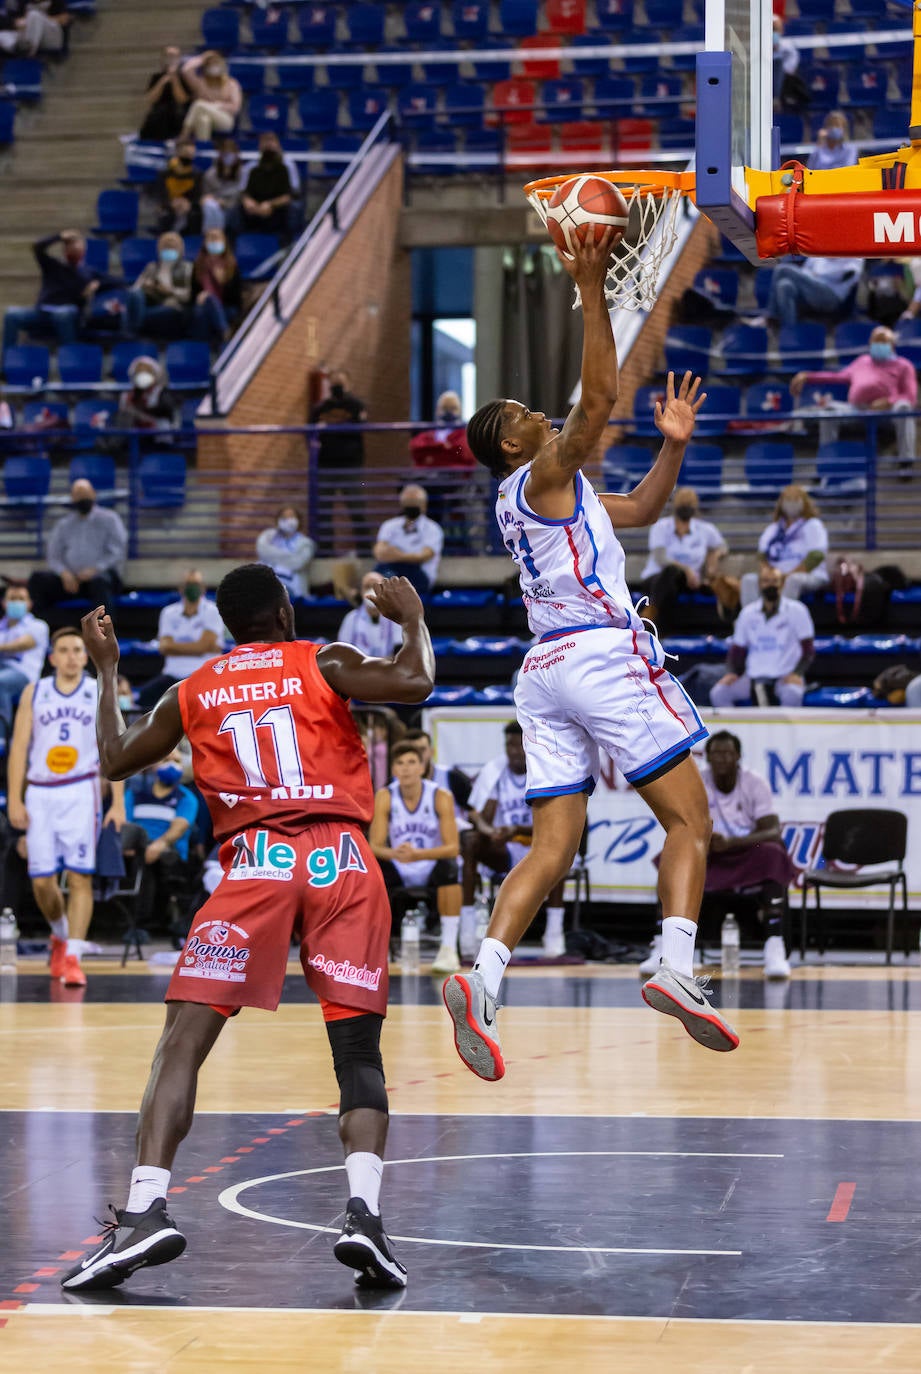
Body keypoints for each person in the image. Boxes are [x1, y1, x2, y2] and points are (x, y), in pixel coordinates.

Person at [61, 566, 434, 1293]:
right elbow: (414, 680)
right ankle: (365, 1218)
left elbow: (113, 759)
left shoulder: (192, 689)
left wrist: (108, 671)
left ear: (230, 627)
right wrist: (411, 617)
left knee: (182, 1043)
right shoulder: (324, 660)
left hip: (256, 863)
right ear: (286, 612)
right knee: (356, 1049)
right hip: (342, 860)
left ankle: (145, 1211)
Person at [442, 230, 738, 1085]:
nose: (543, 413)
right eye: (526, 415)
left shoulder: (553, 492)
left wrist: (674, 443)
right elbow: (600, 396)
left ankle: (485, 975)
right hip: (598, 655)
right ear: (510, 444)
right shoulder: (541, 472)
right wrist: (589, 286)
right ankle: (674, 964)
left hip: (543, 674)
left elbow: (638, 508)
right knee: (689, 821)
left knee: (553, 842)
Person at [6, 626, 125, 988]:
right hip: (40, 791)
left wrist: (117, 802)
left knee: (79, 876)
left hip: (81, 789)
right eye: (65, 649)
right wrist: (14, 797)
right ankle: (59, 934)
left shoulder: (97, 690)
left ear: (85, 655)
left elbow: (116, 747)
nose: (72, 655)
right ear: (52, 657)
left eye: (78, 649)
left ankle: (73, 956)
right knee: (41, 881)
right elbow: (19, 747)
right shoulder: (35, 691)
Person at [462, 721, 567, 959]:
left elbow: (557, 824)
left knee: (559, 850)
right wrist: (491, 832)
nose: (513, 751)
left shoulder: (545, 769)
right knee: (470, 841)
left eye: (518, 745)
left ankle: (554, 933)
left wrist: (515, 829)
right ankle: (467, 932)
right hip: (509, 849)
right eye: (508, 745)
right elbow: (481, 816)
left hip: (541, 846)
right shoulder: (496, 771)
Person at [369, 740, 462, 975]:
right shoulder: (385, 795)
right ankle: (373, 948)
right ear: (393, 770)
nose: (406, 768)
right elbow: (375, 845)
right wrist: (394, 854)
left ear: (422, 767)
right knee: (370, 868)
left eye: (412, 762)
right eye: (400, 763)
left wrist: (418, 854)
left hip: (430, 861)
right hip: (400, 863)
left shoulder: (440, 795)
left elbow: (452, 848)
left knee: (450, 867)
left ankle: (449, 948)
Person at [791, 325, 918, 472]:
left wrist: (889, 401)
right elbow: (838, 377)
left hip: (887, 412)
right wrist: (808, 376)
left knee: (904, 407)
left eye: (883, 341)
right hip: (857, 409)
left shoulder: (904, 365)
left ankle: (906, 462)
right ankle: (827, 461)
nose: (879, 345)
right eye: (875, 341)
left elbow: (910, 396)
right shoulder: (862, 361)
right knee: (829, 410)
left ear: (893, 345)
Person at [710, 565, 815, 708]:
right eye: (766, 581)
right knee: (719, 693)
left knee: (793, 694)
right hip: (753, 676)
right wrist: (732, 672)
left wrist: (797, 673)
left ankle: (786, 731)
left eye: (774, 581)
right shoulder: (747, 613)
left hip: (785, 676)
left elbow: (808, 650)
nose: (770, 585)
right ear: (759, 584)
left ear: (782, 584)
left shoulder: (798, 610)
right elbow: (737, 649)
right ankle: (736, 730)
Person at [124, 747, 199, 938]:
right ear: (154, 765)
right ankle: (138, 925)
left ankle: (140, 925)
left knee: (151, 861)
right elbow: (126, 821)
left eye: (176, 762)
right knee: (141, 858)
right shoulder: (136, 792)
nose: (171, 766)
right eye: (166, 760)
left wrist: (159, 845)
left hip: (169, 851)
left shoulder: (186, 797)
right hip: (137, 847)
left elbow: (179, 827)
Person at [636, 486, 732, 634]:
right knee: (670, 574)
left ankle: (654, 626)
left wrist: (715, 554)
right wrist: (687, 570)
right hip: (657, 579)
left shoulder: (705, 529)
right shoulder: (661, 527)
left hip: (687, 582)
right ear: (674, 504)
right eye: (683, 502)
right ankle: (652, 614)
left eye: (689, 503)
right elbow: (661, 559)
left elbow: (723, 545)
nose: (686, 506)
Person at [28, 479, 127, 616]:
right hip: (72, 581)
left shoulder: (110, 519)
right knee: (37, 580)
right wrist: (65, 573)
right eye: (78, 496)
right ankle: (43, 629)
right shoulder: (64, 524)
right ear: (73, 498)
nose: (82, 499)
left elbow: (117, 552)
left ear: (94, 494)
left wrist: (95, 569)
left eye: (85, 494)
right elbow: (54, 556)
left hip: (102, 578)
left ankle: (104, 633)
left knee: (99, 582)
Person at [2, 229, 109, 351]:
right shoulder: (53, 265)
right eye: (70, 244)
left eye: (77, 244)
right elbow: (38, 247)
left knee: (63, 314)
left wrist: (93, 288)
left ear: (84, 250)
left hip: (68, 314)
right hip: (42, 313)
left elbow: (115, 282)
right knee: (11, 315)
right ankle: (6, 361)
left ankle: (70, 357)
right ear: (65, 249)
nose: (74, 247)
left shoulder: (88, 273)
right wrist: (59, 236)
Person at [136, 569, 224, 711]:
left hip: (203, 675)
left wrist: (175, 647)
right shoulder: (169, 612)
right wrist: (200, 647)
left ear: (203, 588)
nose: (192, 588)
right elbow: (164, 647)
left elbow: (203, 645)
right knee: (144, 696)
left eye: (196, 584)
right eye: (189, 584)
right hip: (172, 675)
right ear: (181, 588)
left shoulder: (213, 611)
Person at [309, 369, 369, 556]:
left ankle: (364, 551)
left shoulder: (356, 405)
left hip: (351, 467)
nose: (337, 387)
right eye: (334, 383)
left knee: (357, 509)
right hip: (325, 466)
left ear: (348, 385)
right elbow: (309, 433)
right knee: (324, 512)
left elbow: (362, 426)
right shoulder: (320, 409)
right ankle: (326, 552)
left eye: (340, 383)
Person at [740, 485, 829, 607]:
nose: (791, 503)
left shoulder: (813, 525)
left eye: (795, 499)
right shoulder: (773, 528)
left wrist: (787, 576)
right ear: (781, 503)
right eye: (788, 499)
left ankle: (781, 620)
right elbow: (762, 556)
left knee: (793, 580)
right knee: (748, 580)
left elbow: (816, 556)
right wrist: (769, 576)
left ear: (804, 503)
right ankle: (751, 621)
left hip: (809, 575)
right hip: (776, 576)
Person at [373, 485, 444, 596]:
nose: (411, 506)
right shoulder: (389, 525)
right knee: (374, 579)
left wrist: (396, 554)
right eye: (408, 502)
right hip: (390, 570)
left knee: (393, 588)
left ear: (424, 505)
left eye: (415, 502)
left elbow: (423, 556)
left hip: (418, 575)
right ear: (402, 505)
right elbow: (379, 553)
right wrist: (407, 556)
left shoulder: (432, 529)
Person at [756, 256, 864, 328]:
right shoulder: (819, 248)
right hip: (810, 292)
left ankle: (771, 316)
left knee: (782, 269)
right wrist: (814, 275)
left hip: (831, 296)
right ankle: (791, 332)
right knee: (784, 286)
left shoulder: (854, 253)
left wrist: (818, 274)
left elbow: (847, 275)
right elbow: (805, 271)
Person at [0, 581, 48, 735]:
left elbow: (21, 645)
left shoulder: (38, 626)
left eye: (21, 599)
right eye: (12, 598)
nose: (16, 602)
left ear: (29, 604)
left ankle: (1, 736)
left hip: (24, 675)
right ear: (4, 603)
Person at [126, 232, 194, 339]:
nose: (169, 248)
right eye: (166, 246)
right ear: (159, 248)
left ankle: (133, 334)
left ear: (181, 249)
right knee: (134, 295)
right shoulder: (152, 267)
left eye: (173, 246)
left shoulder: (187, 268)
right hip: (152, 303)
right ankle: (134, 331)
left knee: (133, 315)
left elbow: (188, 294)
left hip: (173, 305)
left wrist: (169, 291)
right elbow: (135, 288)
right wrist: (147, 286)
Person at [229, 132, 294, 238]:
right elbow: (246, 193)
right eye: (265, 142)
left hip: (275, 209)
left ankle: (285, 247)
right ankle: (234, 246)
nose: (268, 144)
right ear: (259, 147)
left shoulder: (285, 169)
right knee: (237, 211)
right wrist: (248, 202)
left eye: (271, 141)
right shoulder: (253, 170)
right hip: (254, 209)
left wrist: (270, 204)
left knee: (287, 212)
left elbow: (288, 196)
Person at [191, 228, 243, 343]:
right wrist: (201, 297)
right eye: (211, 239)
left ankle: (214, 340)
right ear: (205, 243)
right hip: (203, 305)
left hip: (227, 306)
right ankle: (223, 333)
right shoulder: (198, 265)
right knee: (201, 310)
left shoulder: (232, 265)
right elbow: (193, 294)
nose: (214, 242)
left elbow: (236, 297)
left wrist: (223, 282)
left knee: (205, 310)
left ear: (224, 242)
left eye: (217, 239)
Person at [179, 51, 242, 143]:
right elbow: (185, 70)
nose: (213, 66)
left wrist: (216, 106)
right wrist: (202, 58)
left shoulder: (231, 84)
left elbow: (236, 108)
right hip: (205, 116)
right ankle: (203, 148)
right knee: (203, 120)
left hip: (225, 119)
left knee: (198, 104)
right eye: (210, 64)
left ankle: (184, 135)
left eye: (216, 63)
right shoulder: (201, 83)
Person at [255, 504, 315, 598]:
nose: (288, 520)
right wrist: (290, 557)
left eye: (291, 516)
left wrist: (272, 556)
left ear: (298, 520)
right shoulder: (268, 536)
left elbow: (298, 563)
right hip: (265, 582)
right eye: (284, 517)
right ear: (278, 520)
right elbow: (262, 551)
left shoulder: (306, 543)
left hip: (291, 590)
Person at [337, 571, 402, 658]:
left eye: (376, 586)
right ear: (361, 592)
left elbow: (399, 651)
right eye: (367, 587)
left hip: (387, 668)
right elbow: (342, 652)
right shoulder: (351, 618)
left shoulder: (395, 617)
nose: (372, 591)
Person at [409, 391, 476, 470]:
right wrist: (442, 446)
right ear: (437, 410)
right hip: (428, 476)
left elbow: (463, 452)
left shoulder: (464, 434)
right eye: (444, 408)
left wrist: (433, 452)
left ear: (460, 411)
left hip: (455, 477)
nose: (448, 412)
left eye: (453, 408)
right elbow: (416, 449)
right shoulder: (429, 434)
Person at [139, 45, 191, 143]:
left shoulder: (184, 77)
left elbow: (182, 99)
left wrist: (174, 78)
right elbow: (151, 99)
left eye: (174, 56)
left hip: (178, 114)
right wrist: (163, 81)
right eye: (168, 56)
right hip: (159, 114)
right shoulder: (156, 77)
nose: (171, 59)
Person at [115, 355, 178, 435]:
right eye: (139, 372)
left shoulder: (161, 392)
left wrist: (142, 411)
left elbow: (166, 412)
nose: (143, 375)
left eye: (147, 371)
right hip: (135, 434)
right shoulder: (128, 395)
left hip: (158, 434)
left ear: (154, 374)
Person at [154, 139, 203, 237]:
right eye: (186, 153)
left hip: (188, 206)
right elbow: (161, 194)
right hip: (169, 206)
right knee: (166, 215)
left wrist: (188, 203)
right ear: (178, 152)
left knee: (195, 215)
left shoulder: (197, 174)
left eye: (191, 154)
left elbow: (197, 195)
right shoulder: (165, 172)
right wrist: (170, 203)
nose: (189, 156)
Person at [200, 138, 247, 233]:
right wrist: (213, 201)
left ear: (237, 155)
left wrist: (226, 203)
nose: (228, 157)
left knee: (229, 212)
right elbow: (206, 195)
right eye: (225, 153)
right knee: (210, 207)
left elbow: (243, 196)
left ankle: (214, 235)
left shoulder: (243, 173)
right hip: (215, 207)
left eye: (231, 153)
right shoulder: (210, 174)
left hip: (235, 209)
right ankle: (213, 235)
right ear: (220, 155)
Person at [0, 0, 68, 55]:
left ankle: (29, 49)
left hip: (51, 36)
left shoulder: (56, 1)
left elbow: (64, 20)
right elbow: (18, 21)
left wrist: (40, 19)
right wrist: (21, 22)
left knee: (34, 15)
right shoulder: (24, 2)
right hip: (27, 33)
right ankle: (17, 47)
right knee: (2, 35)